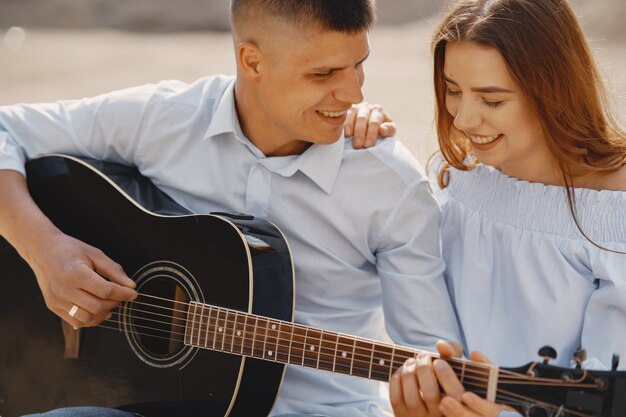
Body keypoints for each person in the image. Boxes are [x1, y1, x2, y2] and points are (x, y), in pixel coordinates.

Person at [0, 1, 461, 417]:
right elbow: (6, 128)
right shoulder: (167, 119)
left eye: (358, 66)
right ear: (252, 61)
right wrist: (44, 250)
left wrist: (427, 397)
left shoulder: (390, 184)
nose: (353, 94)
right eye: (323, 74)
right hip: (138, 401)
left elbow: (427, 350)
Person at [385, 0, 626, 416]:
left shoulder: (614, 215)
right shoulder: (457, 179)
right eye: (452, 90)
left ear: (555, 91)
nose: (462, 120)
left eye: (492, 101)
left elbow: (608, 393)